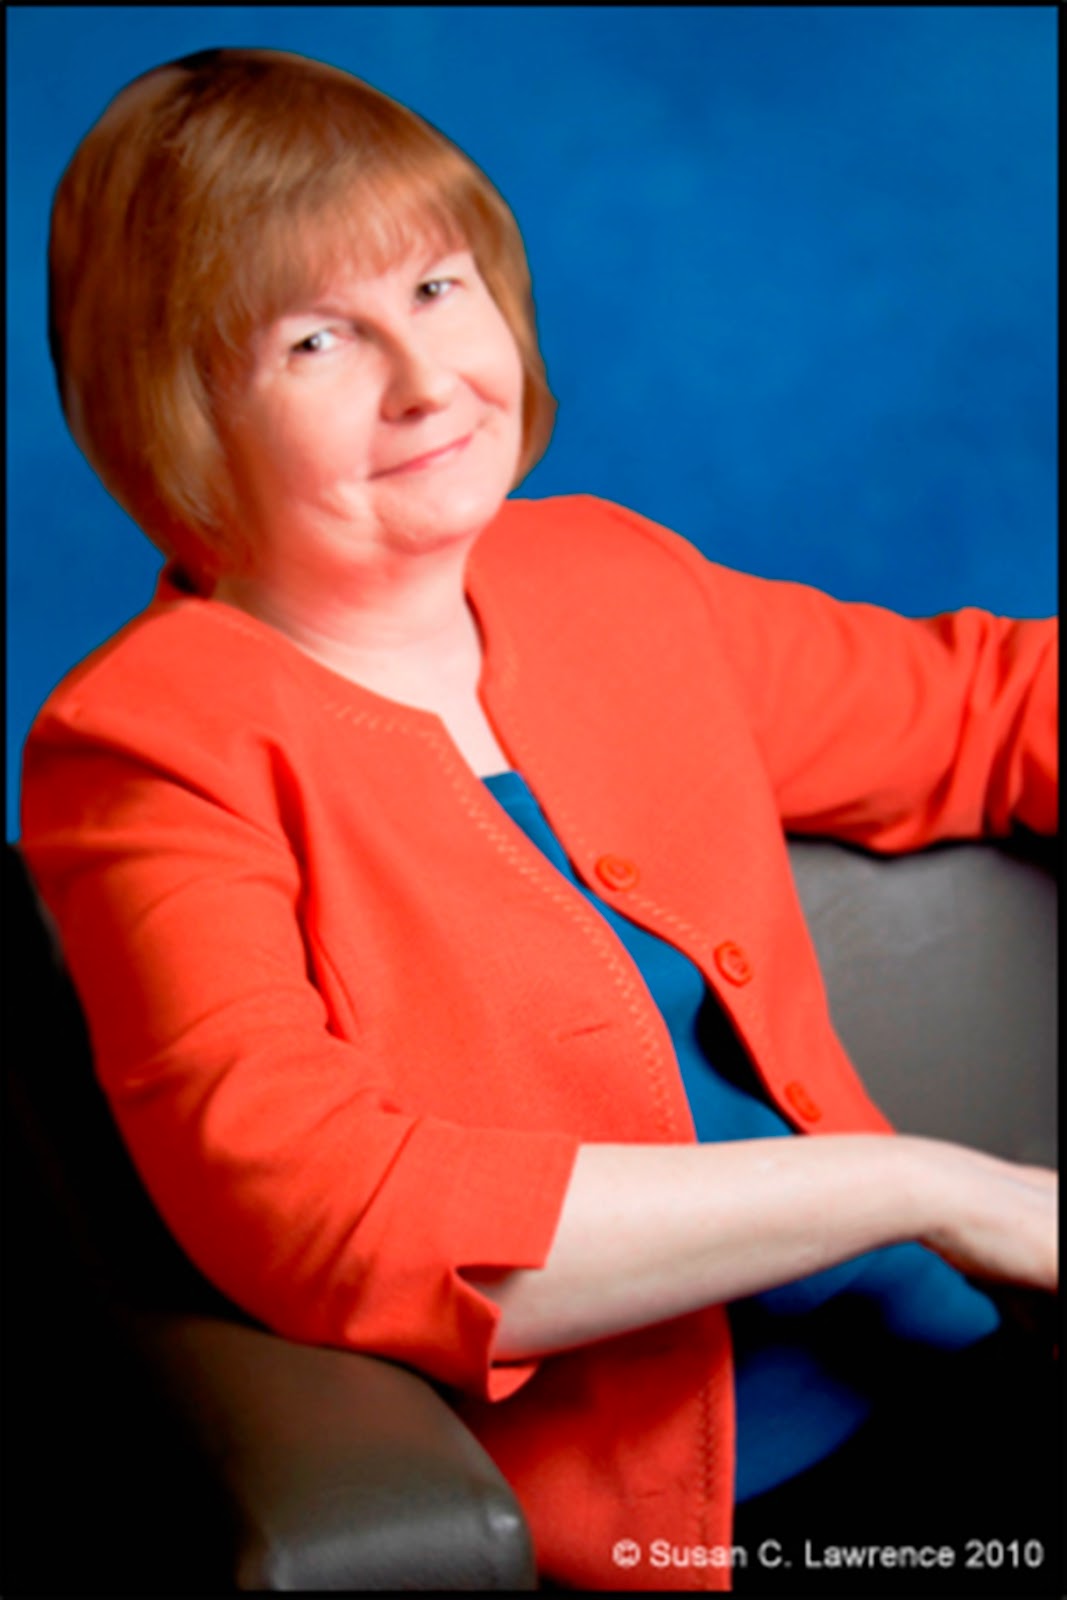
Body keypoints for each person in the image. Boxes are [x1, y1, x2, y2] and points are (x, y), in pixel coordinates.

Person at [22, 46, 1058, 1594]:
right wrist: (926, 1187)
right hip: (738, 1514)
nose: (427, 380)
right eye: (318, 339)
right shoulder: (144, 751)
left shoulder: (602, 577)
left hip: (962, 1363)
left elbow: (989, 709)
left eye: (437, 288)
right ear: (171, 406)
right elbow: (333, 1217)